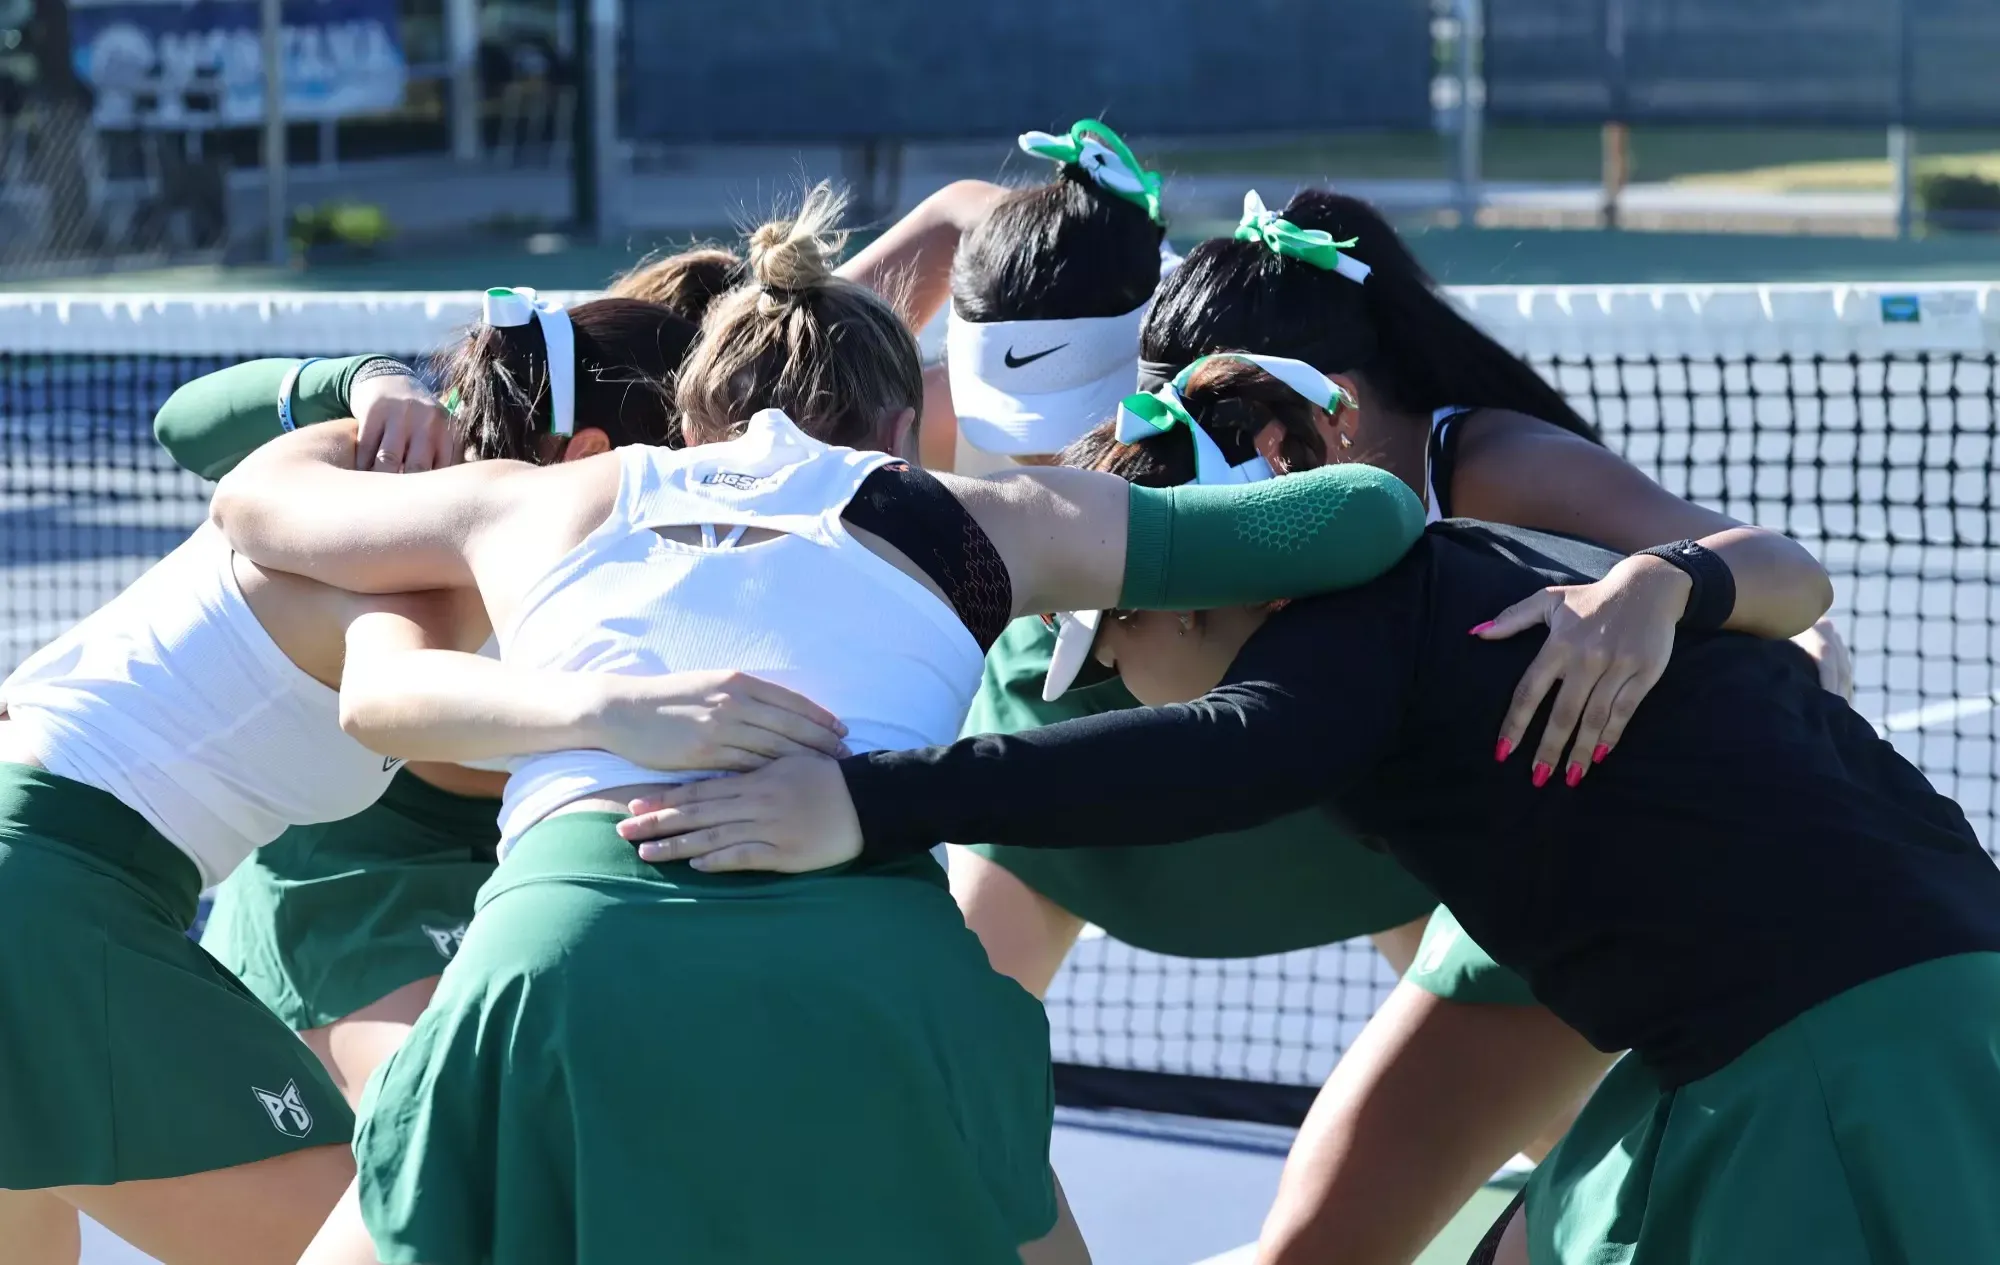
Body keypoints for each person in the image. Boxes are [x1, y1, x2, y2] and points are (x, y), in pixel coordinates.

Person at [204, 186, 1427, 1265]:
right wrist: (1215, 408)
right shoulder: (985, 517)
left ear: (685, 424)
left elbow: (252, 501)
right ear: (901, 433)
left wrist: (369, 394)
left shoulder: (546, 498)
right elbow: (1366, 513)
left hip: (556, 952)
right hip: (878, 973)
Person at [624, 357, 2000, 1265]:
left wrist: (861, 802)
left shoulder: (1351, 625)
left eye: (1108, 654)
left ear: (1185, 594)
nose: (1109, 685)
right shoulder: (1459, 579)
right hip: (1921, 989)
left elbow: (1217, 756)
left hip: (1827, 1054)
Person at [944, 189, 1847, 1263]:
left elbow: (1787, 585)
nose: (1220, 461)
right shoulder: (1199, 499)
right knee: (951, 1058)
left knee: (1578, 1188)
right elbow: (970, 210)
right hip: (1365, 811)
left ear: (1335, 416)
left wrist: (1661, 593)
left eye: (1242, 430)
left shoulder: (1489, 466)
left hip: (1514, 873)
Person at [0, 293, 848, 1265]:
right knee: (405, 1242)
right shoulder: (431, 553)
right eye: (673, 481)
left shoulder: (367, 484)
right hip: (50, 902)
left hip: (52, 884)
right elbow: (387, 691)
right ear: (583, 460)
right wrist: (625, 712)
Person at [157, 293, 712, 1109]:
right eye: (681, 466)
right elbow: (189, 434)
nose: (706, 495)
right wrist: (365, 380)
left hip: (526, 861)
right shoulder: (413, 494)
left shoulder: (683, 542)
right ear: (592, 451)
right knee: (457, 1121)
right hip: (351, 875)